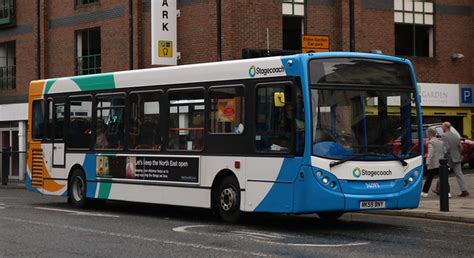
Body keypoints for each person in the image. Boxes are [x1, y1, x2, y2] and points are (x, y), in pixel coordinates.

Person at [437, 122, 470, 197]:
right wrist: (459, 154)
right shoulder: (455, 135)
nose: (442, 128)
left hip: (449, 157)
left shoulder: (444, 135)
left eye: (442, 127)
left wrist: (444, 156)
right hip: (457, 157)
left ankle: (441, 190)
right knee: (459, 174)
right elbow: (460, 147)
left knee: (443, 174)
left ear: (445, 127)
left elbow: (446, 147)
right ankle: (464, 190)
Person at [421, 128, 449, 197]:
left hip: (433, 163)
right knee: (443, 178)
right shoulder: (441, 141)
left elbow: (430, 153)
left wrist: (427, 161)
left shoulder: (431, 142)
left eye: (426, 133)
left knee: (429, 179)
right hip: (441, 163)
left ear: (428, 134)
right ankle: (448, 193)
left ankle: (424, 192)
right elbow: (445, 151)